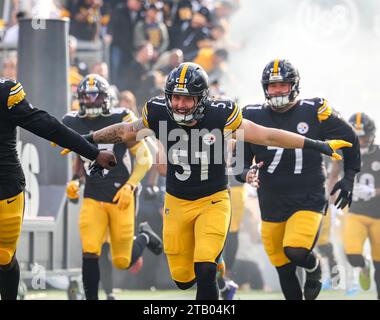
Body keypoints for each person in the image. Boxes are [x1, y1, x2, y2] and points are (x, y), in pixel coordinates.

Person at [63, 62, 353, 300]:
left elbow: (266, 135)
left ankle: (213, 271)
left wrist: (316, 144)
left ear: (202, 98)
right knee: (182, 279)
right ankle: (216, 268)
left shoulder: (221, 114)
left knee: (204, 267)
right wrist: (85, 139)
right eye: (175, 96)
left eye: (187, 97)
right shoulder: (158, 111)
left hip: (213, 200)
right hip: (176, 202)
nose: (179, 103)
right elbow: (126, 130)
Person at [235, 59, 360, 300]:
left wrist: (350, 177)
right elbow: (239, 159)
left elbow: (350, 136)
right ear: (265, 88)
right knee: (283, 266)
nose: (278, 90)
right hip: (270, 199)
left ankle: (314, 268)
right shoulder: (250, 114)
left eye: (283, 84)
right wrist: (245, 173)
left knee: (296, 250)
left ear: (294, 85)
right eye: (273, 86)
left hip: (308, 196)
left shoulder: (313, 110)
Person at [0, 78, 116, 300]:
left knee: (4, 257)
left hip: (5, 188)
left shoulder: (5, 92)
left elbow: (47, 126)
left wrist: (93, 153)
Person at [62, 74, 163, 300]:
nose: (91, 101)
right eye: (86, 97)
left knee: (121, 260)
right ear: (79, 99)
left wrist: (130, 186)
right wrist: (75, 181)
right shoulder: (73, 122)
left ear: (107, 98)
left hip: (120, 195)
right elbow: (80, 160)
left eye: (96, 96)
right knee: (90, 250)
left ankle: (144, 237)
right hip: (93, 194)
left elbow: (145, 157)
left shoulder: (121, 118)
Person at [342, 112, 380, 299]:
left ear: (372, 136)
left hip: (379, 215)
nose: (361, 142)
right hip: (355, 212)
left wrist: (374, 191)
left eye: (363, 138)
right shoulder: (342, 155)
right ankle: (364, 267)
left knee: (379, 266)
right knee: (352, 254)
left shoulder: (379, 153)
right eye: (357, 138)